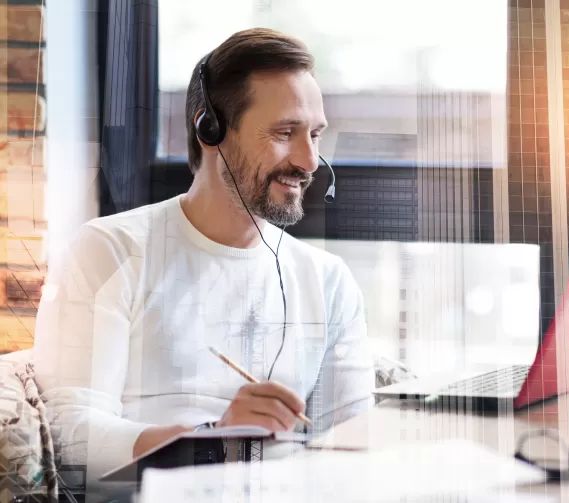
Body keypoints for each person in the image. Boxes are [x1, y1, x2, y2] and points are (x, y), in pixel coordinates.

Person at [33, 28, 374, 483]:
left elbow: (352, 446)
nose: (309, 160)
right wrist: (210, 441)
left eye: (314, 135)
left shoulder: (328, 280)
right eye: (284, 133)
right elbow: (69, 437)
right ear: (209, 129)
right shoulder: (109, 251)